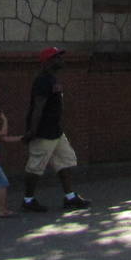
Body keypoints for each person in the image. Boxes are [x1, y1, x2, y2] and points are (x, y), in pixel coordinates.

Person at [21, 46, 90, 212]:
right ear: (48, 62)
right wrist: (32, 130)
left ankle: (70, 196)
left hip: (56, 131)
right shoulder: (43, 81)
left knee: (64, 161)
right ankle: (28, 199)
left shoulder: (52, 79)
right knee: (35, 166)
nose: (61, 60)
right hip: (44, 131)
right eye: (57, 57)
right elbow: (38, 107)